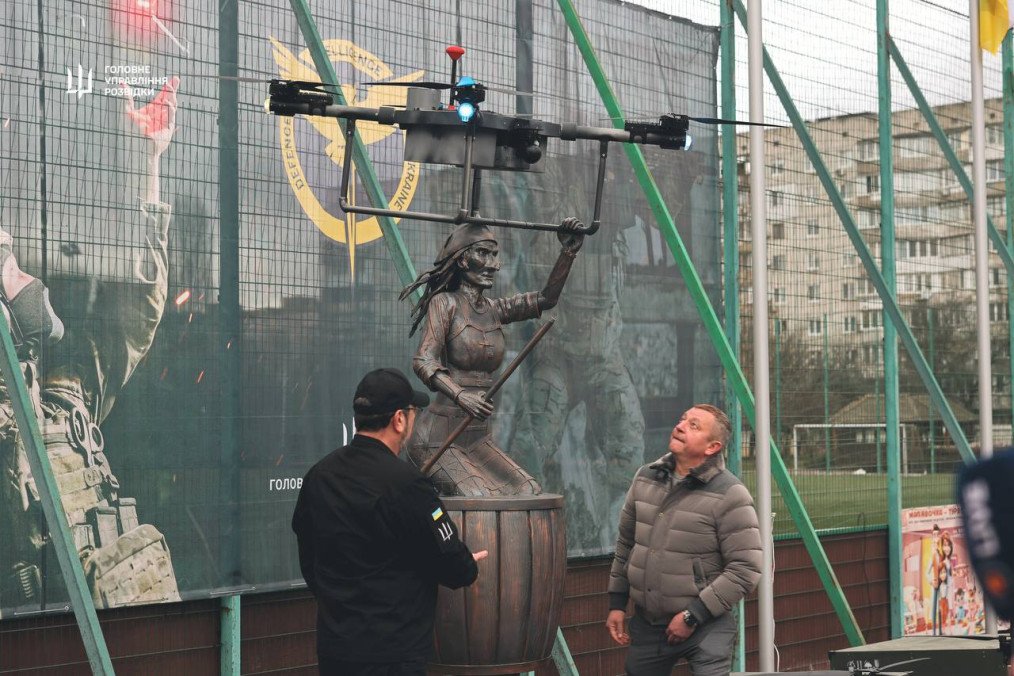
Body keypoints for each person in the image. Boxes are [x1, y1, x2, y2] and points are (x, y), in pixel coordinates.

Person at [0, 78, 181, 612]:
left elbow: (138, 311)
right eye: (8, 266)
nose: (24, 278)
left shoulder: (66, 399)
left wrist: (148, 163)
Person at [292, 368, 488, 675]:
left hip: (336, 652)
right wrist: (466, 562)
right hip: (394, 657)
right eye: (414, 413)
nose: (414, 421)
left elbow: (309, 559)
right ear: (399, 419)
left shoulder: (320, 476)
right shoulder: (408, 485)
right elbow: (453, 564)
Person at [399, 217, 584, 497]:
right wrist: (461, 395)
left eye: (494, 256)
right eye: (483, 253)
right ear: (462, 260)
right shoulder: (445, 303)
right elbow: (424, 360)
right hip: (438, 439)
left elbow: (546, 299)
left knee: (528, 489)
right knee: (478, 497)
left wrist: (567, 253)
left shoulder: (495, 309)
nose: (493, 264)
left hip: (477, 437)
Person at [605, 404, 761, 676]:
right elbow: (626, 545)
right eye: (682, 419)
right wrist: (617, 603)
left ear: (712, 447)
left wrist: (693, 615)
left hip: (706, 627)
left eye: (694, 426)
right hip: (648, 624)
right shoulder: (645, 478)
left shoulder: (730, 494)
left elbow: (745, 569)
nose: (680, 426)